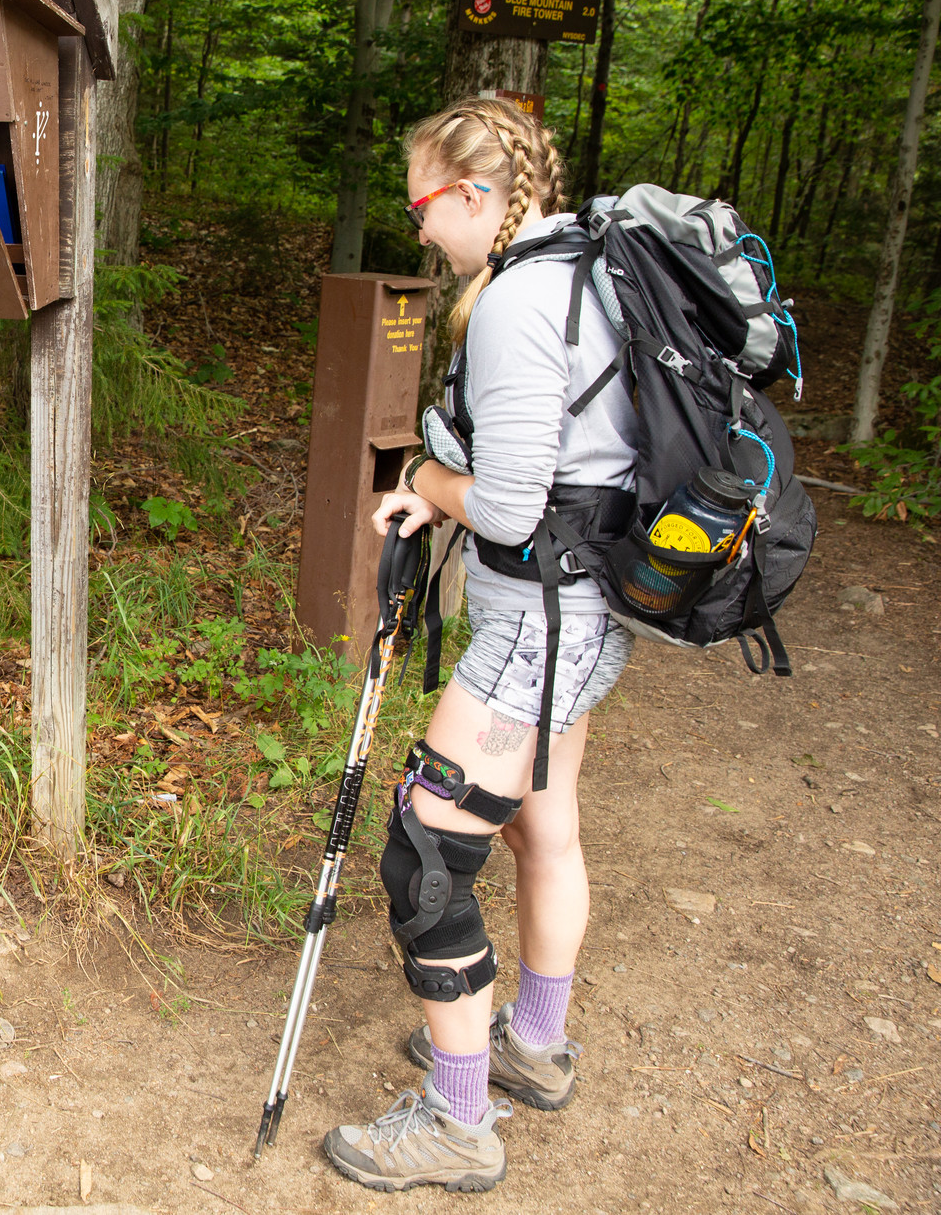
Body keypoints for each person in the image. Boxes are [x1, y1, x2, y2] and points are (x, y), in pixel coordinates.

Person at [320, 97, 637, 1193]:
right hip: (580, 615)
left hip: (531, 629)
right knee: (539, 829)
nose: (416, 230)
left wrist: (420, 483)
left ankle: (458, 1124)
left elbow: (505, 503)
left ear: (472, 195)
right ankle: (532, 1049)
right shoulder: (587, 272)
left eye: (420, 204)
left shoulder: (513, 303)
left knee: (426, 853)